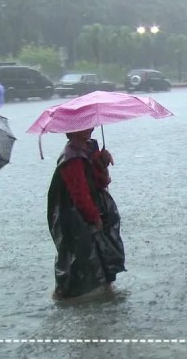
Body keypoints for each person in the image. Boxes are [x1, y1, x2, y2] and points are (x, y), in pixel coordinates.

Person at [46, 128, 125, 299]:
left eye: (89, 125)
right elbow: (79, 193)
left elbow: (101, 181)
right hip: (77, 217)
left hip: (98, 210)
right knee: (80, 261)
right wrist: (93, 216)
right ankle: (67, 297)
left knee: (104, 257)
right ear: (72, 131)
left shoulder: (90, 149)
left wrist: (102, 162)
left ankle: (104, 291)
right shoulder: (71, 158)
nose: (90, 129)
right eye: (83, 127)